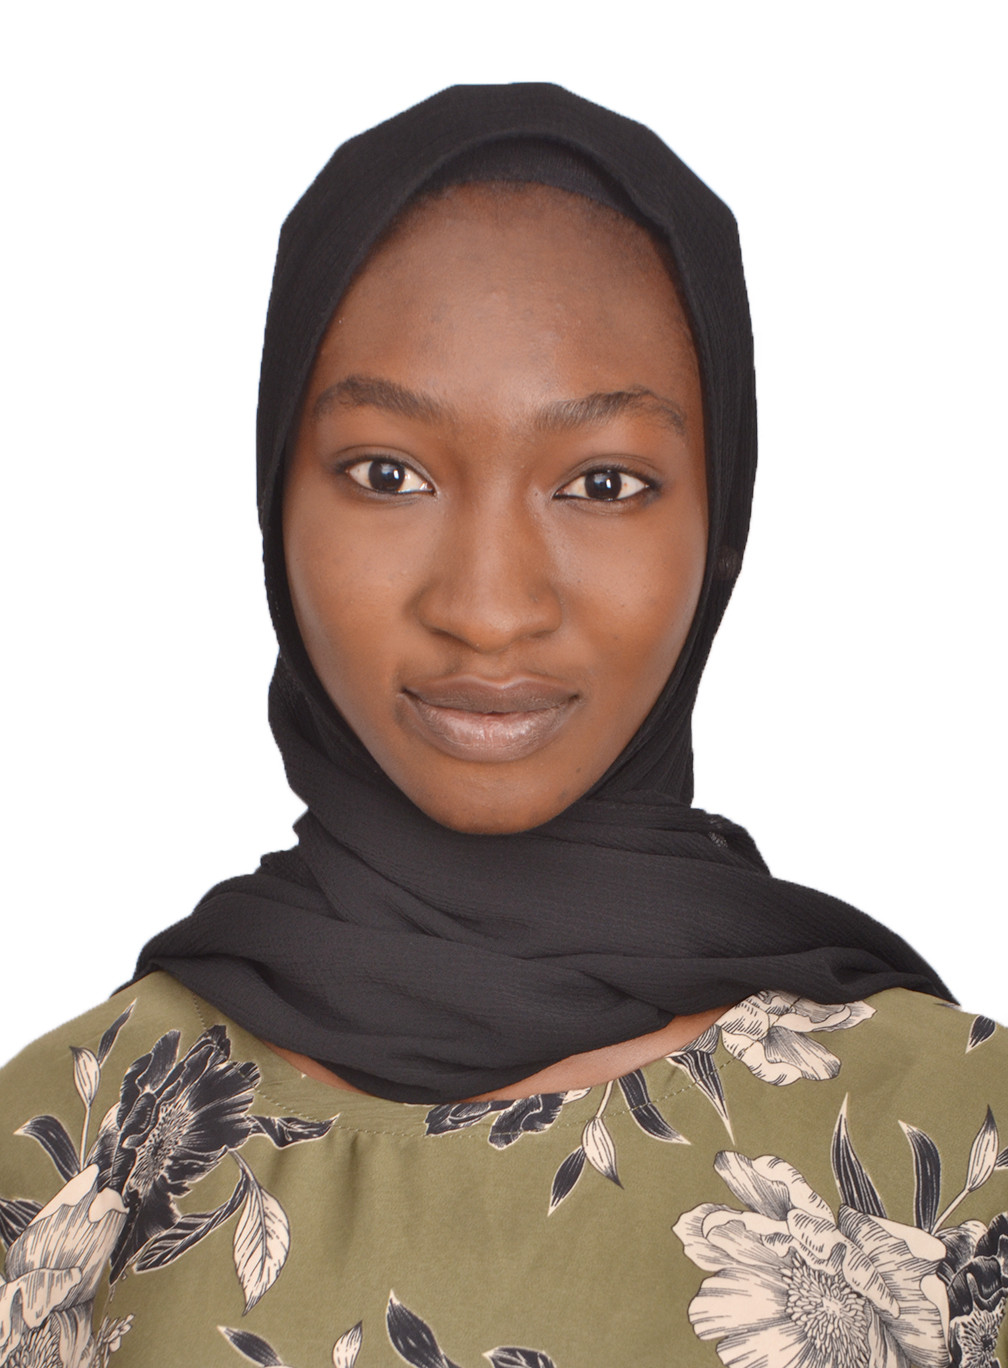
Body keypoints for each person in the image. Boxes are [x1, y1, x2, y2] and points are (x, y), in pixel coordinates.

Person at [0, 82, 1004, 1368]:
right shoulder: (64, 1152)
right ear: (274, 502)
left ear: (722, 520)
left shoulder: (962, 1155)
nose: (486, 608)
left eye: (603, 482)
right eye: (389, 474)